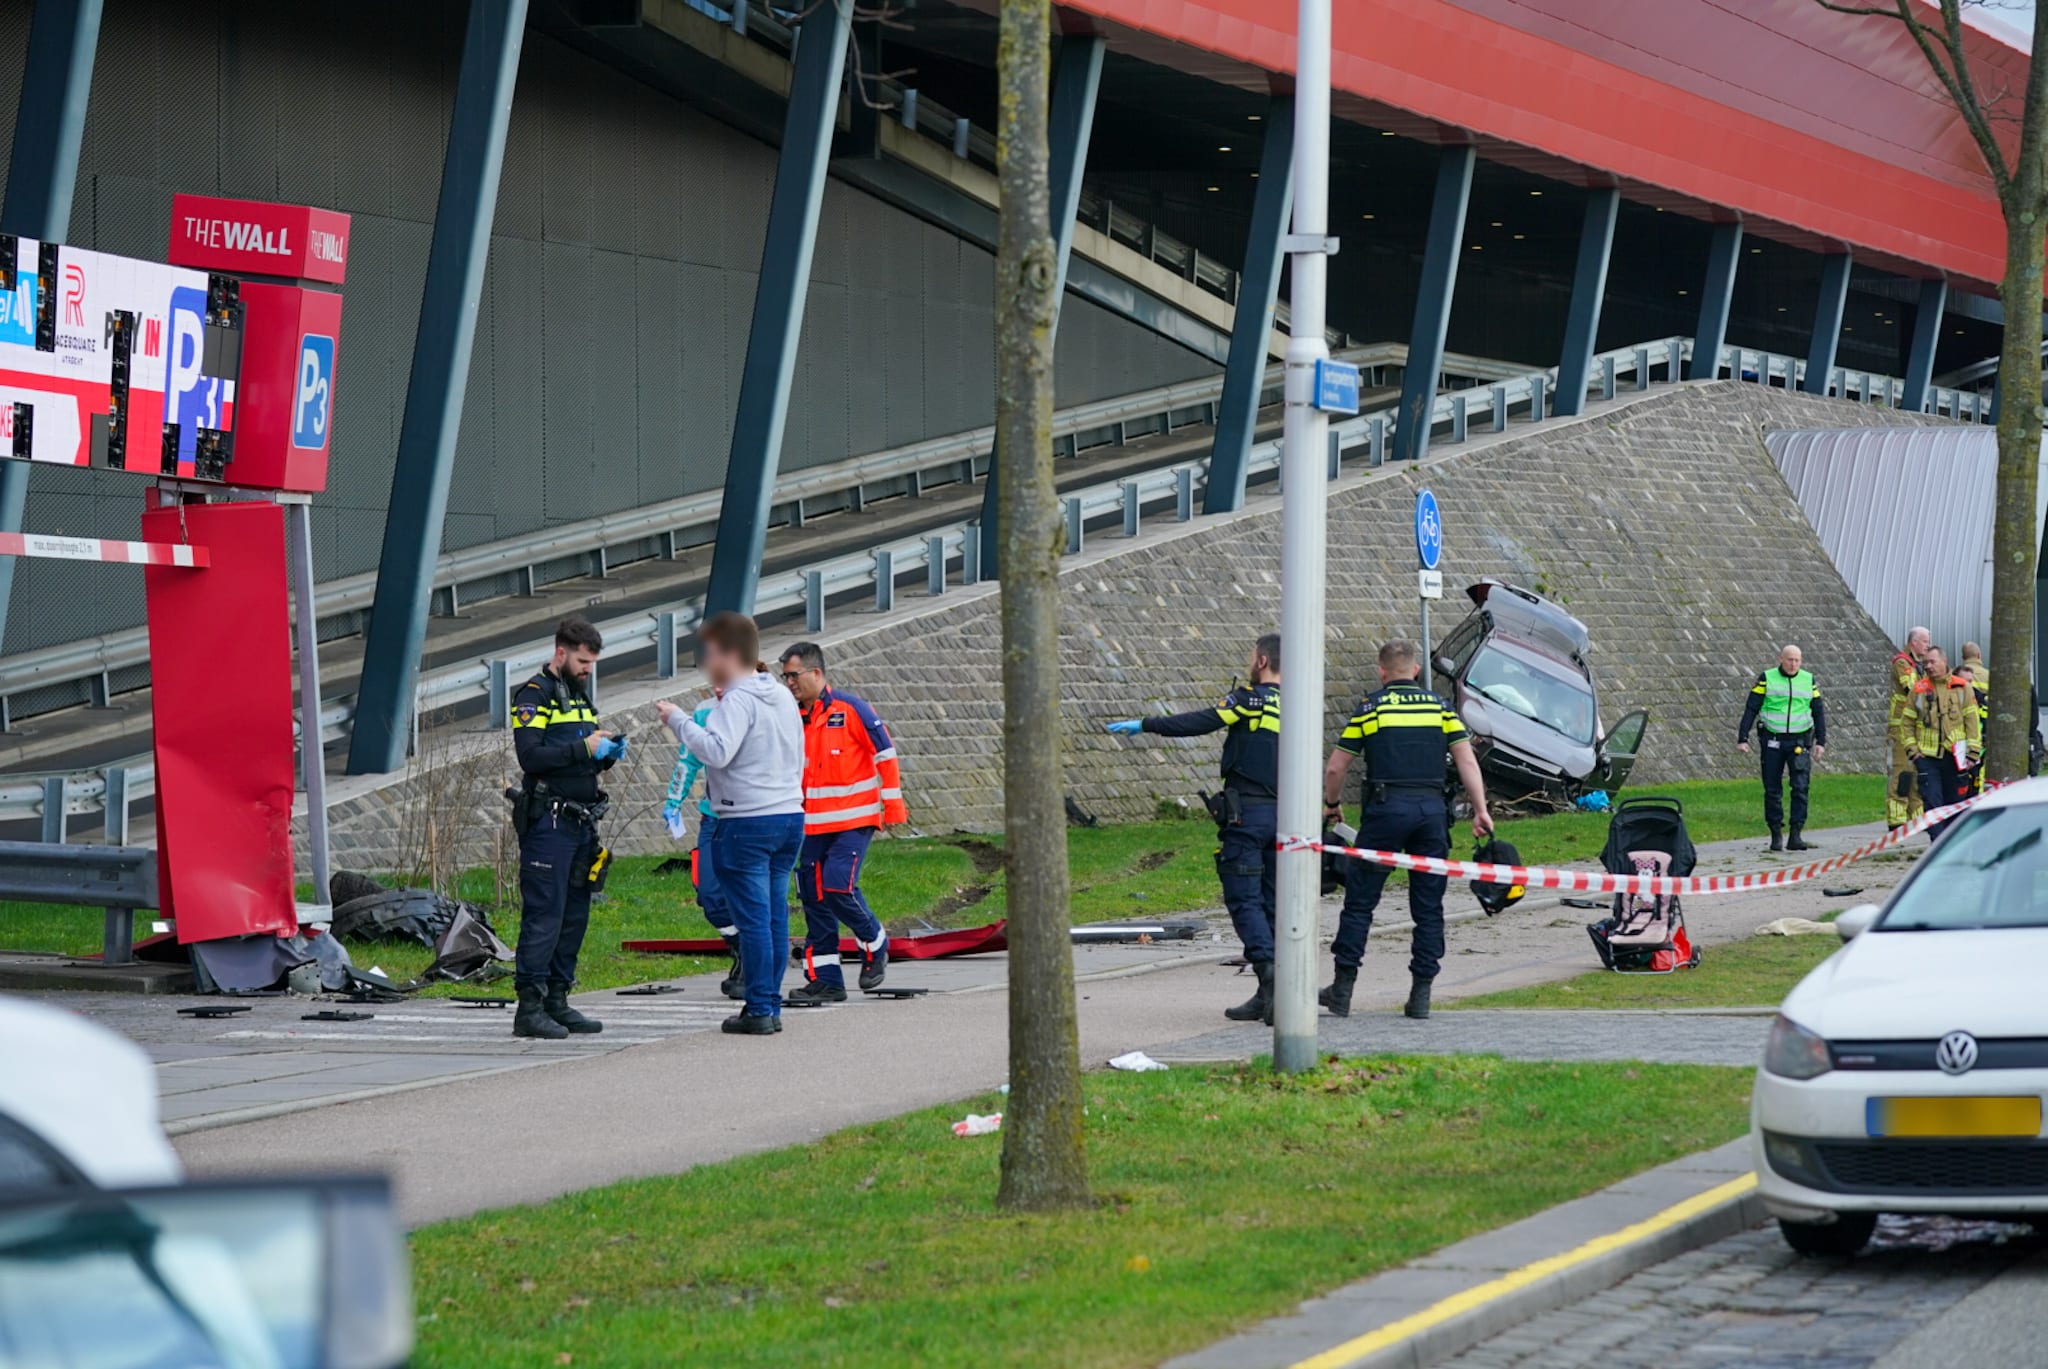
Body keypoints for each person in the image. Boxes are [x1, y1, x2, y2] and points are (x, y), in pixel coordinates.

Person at [1105, 632, 1283, 1024]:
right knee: (1273, 901)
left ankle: (1269, 974)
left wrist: (1146, 724)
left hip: (1248, 815)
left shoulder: (1249, 700)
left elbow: (1201, 721)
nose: (1248, 661)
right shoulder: (1299, 706)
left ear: (1263, 662)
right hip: (1286, 817)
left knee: (1244, 898)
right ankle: (1268, 991)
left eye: (1251, 656)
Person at [1319, 639, 1493, 1021]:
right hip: (1431, 813)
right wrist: (1480, 811)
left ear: (1382, 672)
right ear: (1415, 670)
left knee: (1360, 903)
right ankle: (1421, 995)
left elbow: (1336, 768)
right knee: (1429, 908)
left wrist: (1332, 805)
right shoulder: (1441, 709)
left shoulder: (1371, 710)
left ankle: (1343, 989)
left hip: (1385, 812)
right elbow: (1467, 761)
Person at [656, 613, 805, 1036]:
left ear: (731, 654)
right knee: (775, 918)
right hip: (788, 816)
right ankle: (770, 1003)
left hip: (747, 821)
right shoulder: (778, 695)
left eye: (711, 653)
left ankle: (758, 1008)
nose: (707, 663)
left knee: (754, 921)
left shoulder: (737, 699)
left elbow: (716, 751)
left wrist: (678, 720)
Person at [509, 616, 621, 1041]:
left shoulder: (578, 697)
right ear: (561, 652)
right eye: (582, 661)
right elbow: (531, 757)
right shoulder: (533, 696)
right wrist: (581, 747)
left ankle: (558, 998)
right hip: (549, 824)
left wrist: (605, 753)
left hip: (581, 822)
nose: (587, 669)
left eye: (591, 663)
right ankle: (530, 1007)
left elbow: (582, 757)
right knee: (545, 913)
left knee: (574, 915)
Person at [778, 641, 904, 1002]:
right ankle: (827, 980)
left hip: (854, 819)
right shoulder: (793, 716)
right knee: (813, 896)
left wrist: (892, 807)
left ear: (816, 673)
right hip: (812, 824)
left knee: (837, 886)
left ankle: (875, 942)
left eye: (793, 675)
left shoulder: (852, 709)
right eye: (784, 676)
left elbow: (885, 753)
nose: (789, 683)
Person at [664, 697, 742, 1000]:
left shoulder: (761, 703)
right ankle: (741, 949)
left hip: (752, 816)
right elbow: (689, 759)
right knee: (709, 893)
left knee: (746, 892)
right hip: (714, 816)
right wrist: (674, 800)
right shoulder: (703, 710)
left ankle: (752, 963)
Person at [1737, 644, 1827, 851]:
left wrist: (1820, 741)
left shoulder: (1808, 680)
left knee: (1801, 788)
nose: (1793, 664)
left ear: (1801, 661)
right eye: (1789, 660)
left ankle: (1795, 834)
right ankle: (1776, 834)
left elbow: (1818, 712)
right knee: (1772, 789)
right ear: (1781, 659)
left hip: (1800, 741)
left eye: (1797, 660)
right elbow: (1751, 708)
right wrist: (1742, 737)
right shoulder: (1766, 678)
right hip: (1773, 741)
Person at [1910, 645, 1980, 838]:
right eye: (1926, 663)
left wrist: (1973, 753)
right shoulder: (1919, 689)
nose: (1929, 666)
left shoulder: (1962, 688)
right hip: (1927, 757)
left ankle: (1950, 847)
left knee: (1954, 805)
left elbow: (1972, 722)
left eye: (1932, 662)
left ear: (1944, 661)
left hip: (1955, 757)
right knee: (1932, 803)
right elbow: (1906, 721)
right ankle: (1937, 846)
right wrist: (1913, 751)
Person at [1886, 627, 1931, 830]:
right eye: (1925, 642)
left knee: (1917, 776)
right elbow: (1912, 689)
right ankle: (1896, 821)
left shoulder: (1920, 664)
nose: (1927, 646)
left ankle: (1917, 818)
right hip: (1901, 728)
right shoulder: (1902, 662)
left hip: (1916, 728)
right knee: (1902, 774)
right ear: (1914, 642)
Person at [1959, 642, 1990, 796]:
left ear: (1963, 657)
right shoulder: (1988, 675)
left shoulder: (1955, 675)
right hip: (1981, 730)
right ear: (1979, 656)